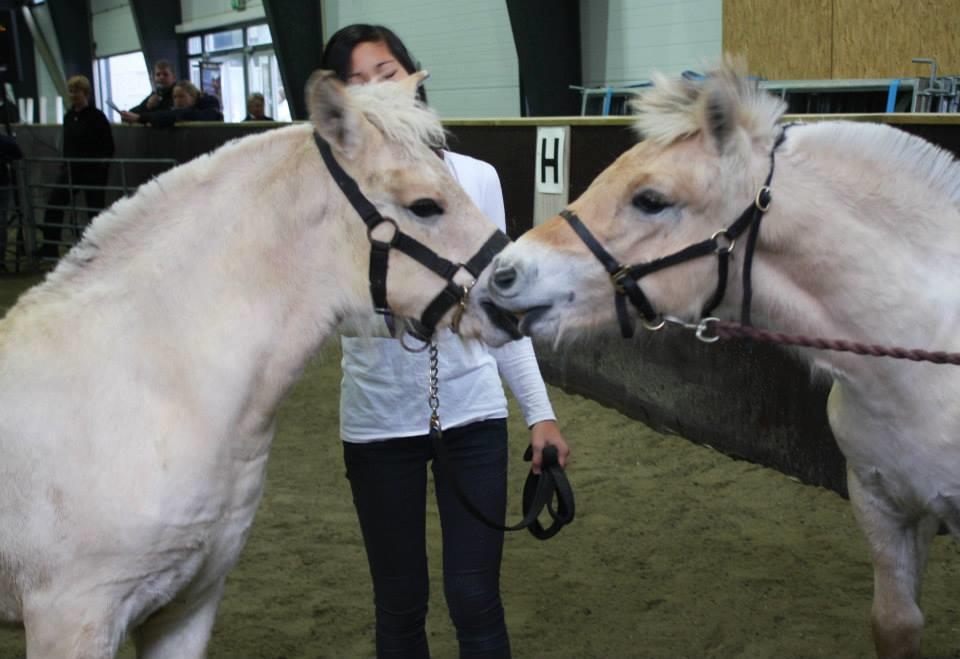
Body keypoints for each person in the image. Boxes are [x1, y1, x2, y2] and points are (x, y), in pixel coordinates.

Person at [321, 24, 570, 659]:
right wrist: (406, 307)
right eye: (356, 83)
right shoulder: (333, 196)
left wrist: (539, 414)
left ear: (413, 78)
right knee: (400, 606)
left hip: (473, 415)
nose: (376, 91)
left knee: (475, 598)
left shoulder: (475, 178)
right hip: (378, 425)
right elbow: (331, 314)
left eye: (386, 73)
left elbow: (500, 310)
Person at [37, 75, 113, 259]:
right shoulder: (69, 116)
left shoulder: (97, 117)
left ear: (85, 93)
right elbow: (68, 143)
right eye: (71, 91)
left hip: (92, 171)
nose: (73, 95)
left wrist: (100, 167)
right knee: (55, 203)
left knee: (94, 210)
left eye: (76, 91)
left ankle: (99, 250)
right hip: (72, 169)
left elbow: (108, 145)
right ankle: (50, 245)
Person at [119, 80, 223, 128]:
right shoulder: (175, 110)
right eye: (174, 97)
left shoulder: (209, 105)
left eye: (181, 96)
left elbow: (182, 114)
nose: (177, 100)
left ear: (193, 96)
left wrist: (140, 118)